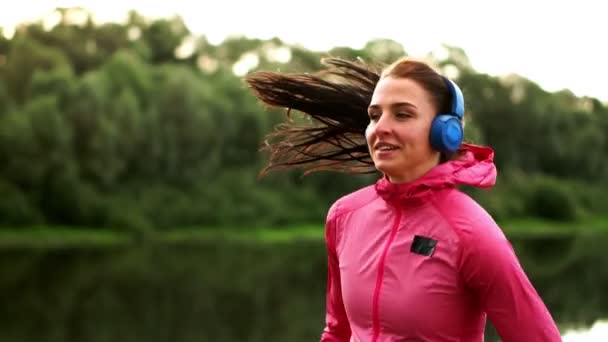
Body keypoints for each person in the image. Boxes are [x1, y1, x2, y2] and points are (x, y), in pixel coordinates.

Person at [246, 56, 562, 341]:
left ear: (445, 131)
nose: (380, 128)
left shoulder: (471, 232)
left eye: (402, 114)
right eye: (374, 115)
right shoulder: (344, 216)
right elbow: (337, 332)